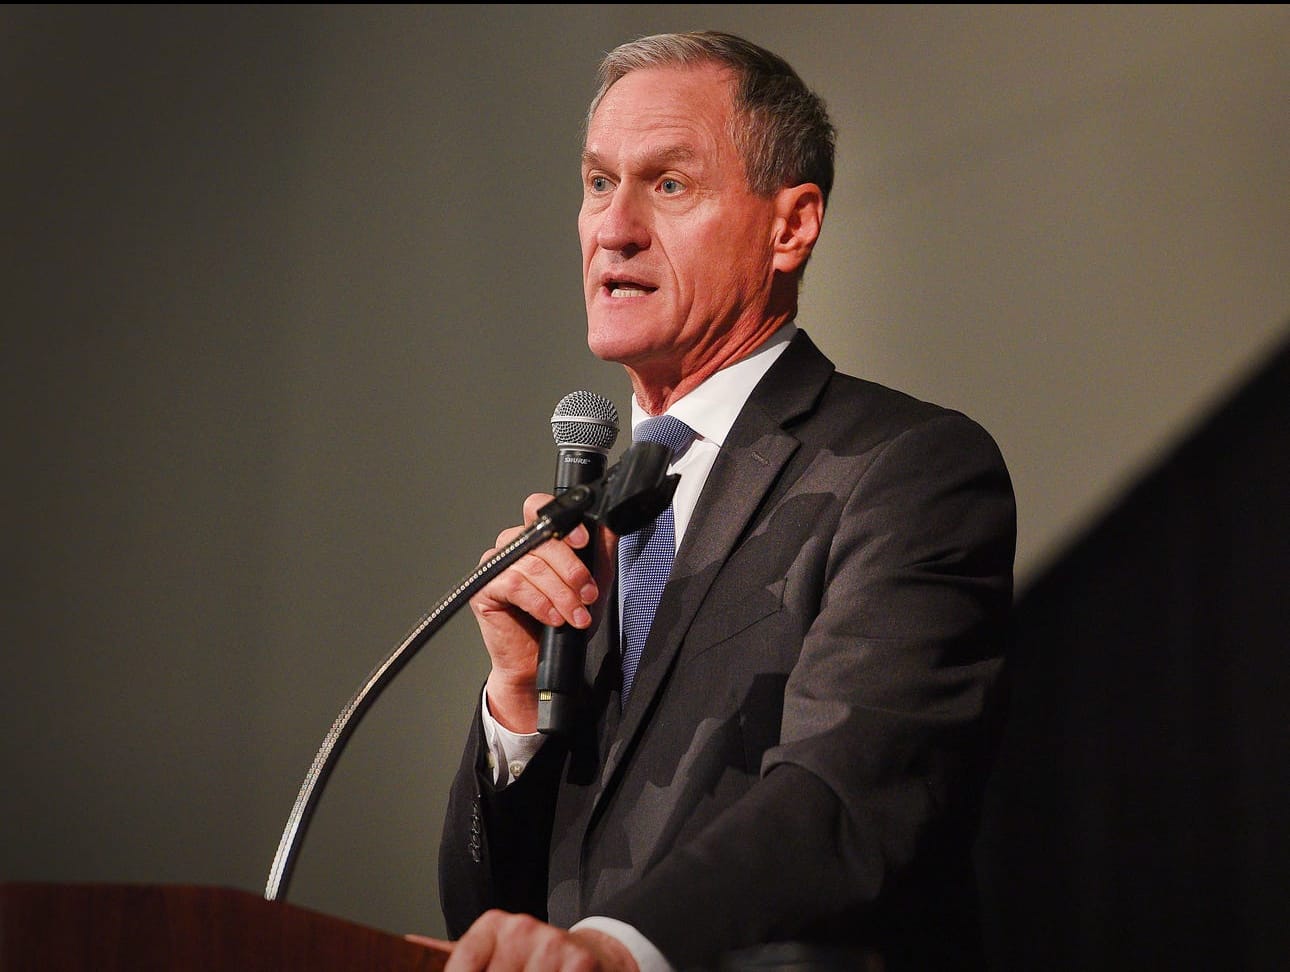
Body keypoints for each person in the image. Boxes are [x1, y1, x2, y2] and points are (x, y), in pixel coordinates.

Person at [431, 29, 1016, 972]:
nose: (612, 227)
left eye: (667, 184)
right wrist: (515, 708)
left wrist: (622, 950)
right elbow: (492, 921)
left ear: (791, 226)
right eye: (595, 183)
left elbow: (847, 796)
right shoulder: (605, 505)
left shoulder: (906, 471)